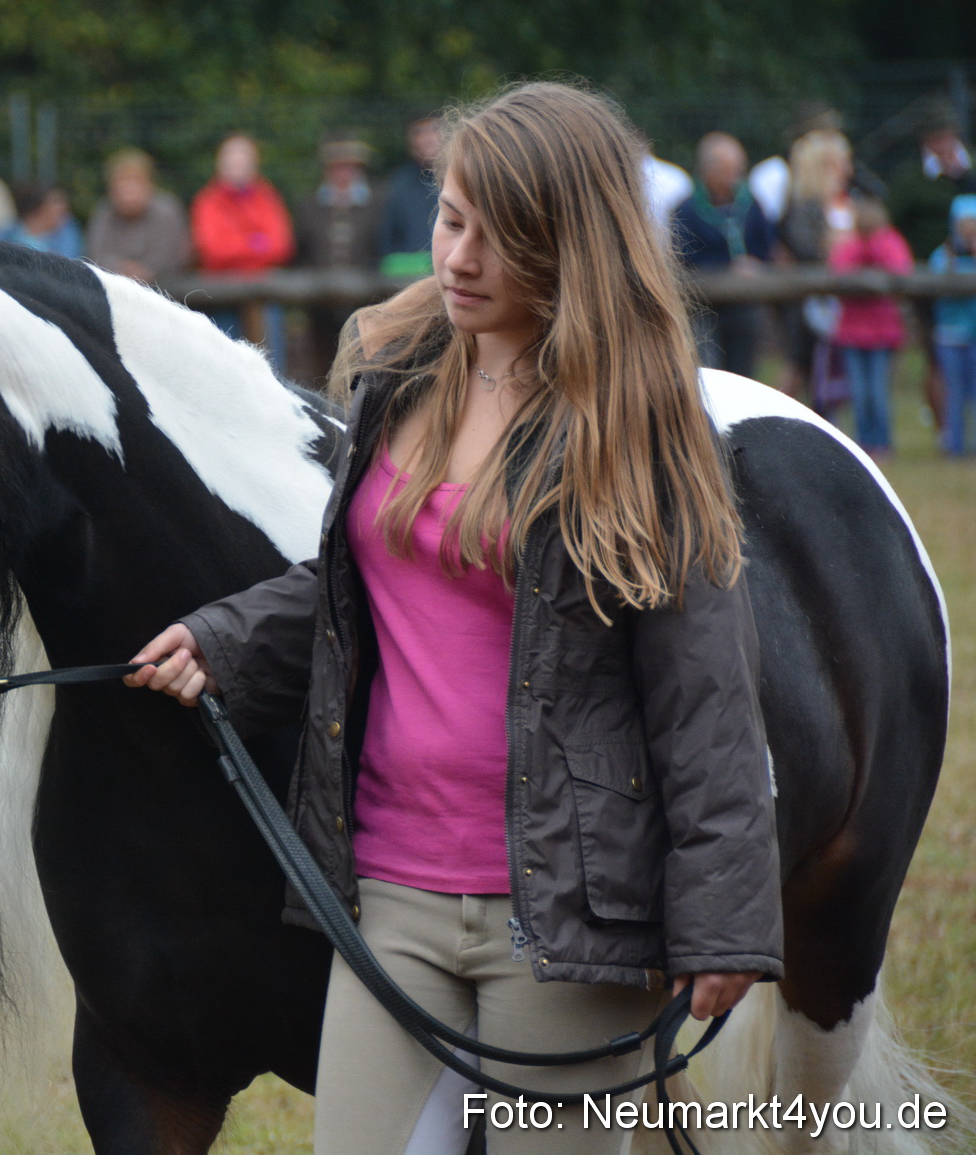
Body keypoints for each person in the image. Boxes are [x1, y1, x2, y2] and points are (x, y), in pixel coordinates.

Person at [128, 81, 780, 1155]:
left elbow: (703, 691)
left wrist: (722, 917)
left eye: (501, 236)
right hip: (388, 889)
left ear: (571, 246)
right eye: (450, 219)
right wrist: (224, 638)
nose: (459, 259)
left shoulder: (638, 426)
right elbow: (361, 586)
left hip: (566, 911)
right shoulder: (399, 375)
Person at [888, 100, 976, 433]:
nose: (944, 143)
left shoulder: (970, 171)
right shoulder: (911, 180)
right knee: (937, 354)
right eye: (937, 137)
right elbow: (893, 223)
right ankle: (947, 430)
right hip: (930, 279)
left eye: (949, 135)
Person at [671, 132, 774, 378]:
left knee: (743, 374)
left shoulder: (750, 204)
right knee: (708, 371)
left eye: (738, 170)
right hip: (704, 307)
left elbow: (766, 246)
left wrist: (756, 263)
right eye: (728, 171)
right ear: (709, 172)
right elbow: (683, 258)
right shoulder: (687, 210)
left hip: (744, 305)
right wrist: (727, 267)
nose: (734, 178)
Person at [192, 133, 296, 371]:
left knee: (271, 364)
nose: (236, 168)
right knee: (223, 365)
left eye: (242, 162)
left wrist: (236, 245)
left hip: (263, 294)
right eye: (231, 162)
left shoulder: (267, 197)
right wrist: (256, 243)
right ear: (219, 165)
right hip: (221, 296)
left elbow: (281, 246)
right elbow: (212, 250)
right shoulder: (207, 201)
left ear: (254, 165)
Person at [829, 197, 916, 458]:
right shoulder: (849, 245)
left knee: (878, 392)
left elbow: (901, 268)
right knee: (859, 392)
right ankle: (863, 444)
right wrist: (862, 251)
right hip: (852, 331)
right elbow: (838, 269)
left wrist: (875, 248)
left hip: (882, 331)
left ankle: (882, 442)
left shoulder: (891, 242)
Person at [778, 128, 857, 407]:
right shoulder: (802, 208)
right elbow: (806, 249)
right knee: (799, 364)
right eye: (841, 162)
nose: (848, 170)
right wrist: (837, 245)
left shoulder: (850, 202)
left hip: (842, 298)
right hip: (808, 300)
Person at [296, 137, 384, 382]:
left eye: (349, 167)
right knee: (322, 366)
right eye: (337, 167)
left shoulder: (377, 203)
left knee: (366, 363)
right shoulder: (309, 205)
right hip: (320, 302)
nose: (343, 173)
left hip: (366, 301)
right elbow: (300, 251)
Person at [85, 148, 191, 284]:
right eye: (122, 183)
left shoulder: (167, 212)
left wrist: (146, 270)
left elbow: (173, 254)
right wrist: (120, 268)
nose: (128, 190)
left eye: (134, 182)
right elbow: (96, 253)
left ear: (149, 184)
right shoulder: (104, 213)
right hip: (113, 285)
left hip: (165, 287)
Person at [929, 195, 976, 455]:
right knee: (954, 391)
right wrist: (951, 259)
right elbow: (937, 278)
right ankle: (954, 446)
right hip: (950, 335)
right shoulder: (943, 254)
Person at [378, 115, 442, 265]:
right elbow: (387, 239)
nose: (428, 138)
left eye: (434, 129)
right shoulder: (399, 185)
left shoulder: (462, 178)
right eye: (419, 132)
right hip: (411, 271)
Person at [0, 181, 83, 258]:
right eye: (56, 202)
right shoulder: (3, 235)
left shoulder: (68, 234)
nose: (64, 209)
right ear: (36, 209)